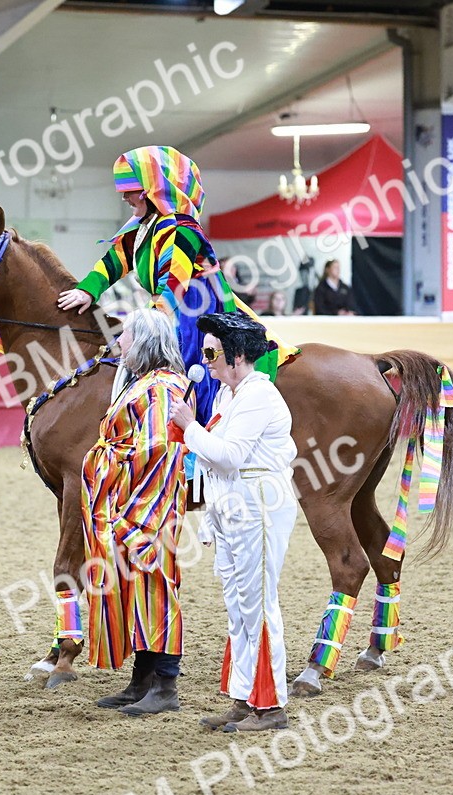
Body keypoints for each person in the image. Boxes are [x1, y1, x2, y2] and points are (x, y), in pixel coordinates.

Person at [55, 145, 292, 425]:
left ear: (152, 189)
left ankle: (201, 429)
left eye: (130, 189)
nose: (124, 196)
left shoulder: (182, 228)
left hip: (191, 307)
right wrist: (86, 290)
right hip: (164, 305)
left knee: (191, 364)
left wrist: (146, 322)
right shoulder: (144, 226)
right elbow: (115, 260)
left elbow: (175, 284)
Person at [170, 313, 297, 733]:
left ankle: (272, 704)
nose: (204, 360)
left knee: (257, 603)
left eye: (212, 353)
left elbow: (228, 456)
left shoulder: (258, 396)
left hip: (258, 503)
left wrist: (189, 426)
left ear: (238, 356)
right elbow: (213, 460)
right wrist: (209, 519)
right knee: (239, 606)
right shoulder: (229, 395)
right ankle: (245, 697)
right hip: (233, 504)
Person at [83, 308, 189, 717]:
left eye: (125, 335)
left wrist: (107, 465)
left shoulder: (161, 389)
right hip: (131, 501)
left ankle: (166, 684)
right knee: (137, 588)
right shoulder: (145, 383)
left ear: (143, 341)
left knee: (155, 585)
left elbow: (158, 450)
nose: (119, 343)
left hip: (149, 505)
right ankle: (141, 680)